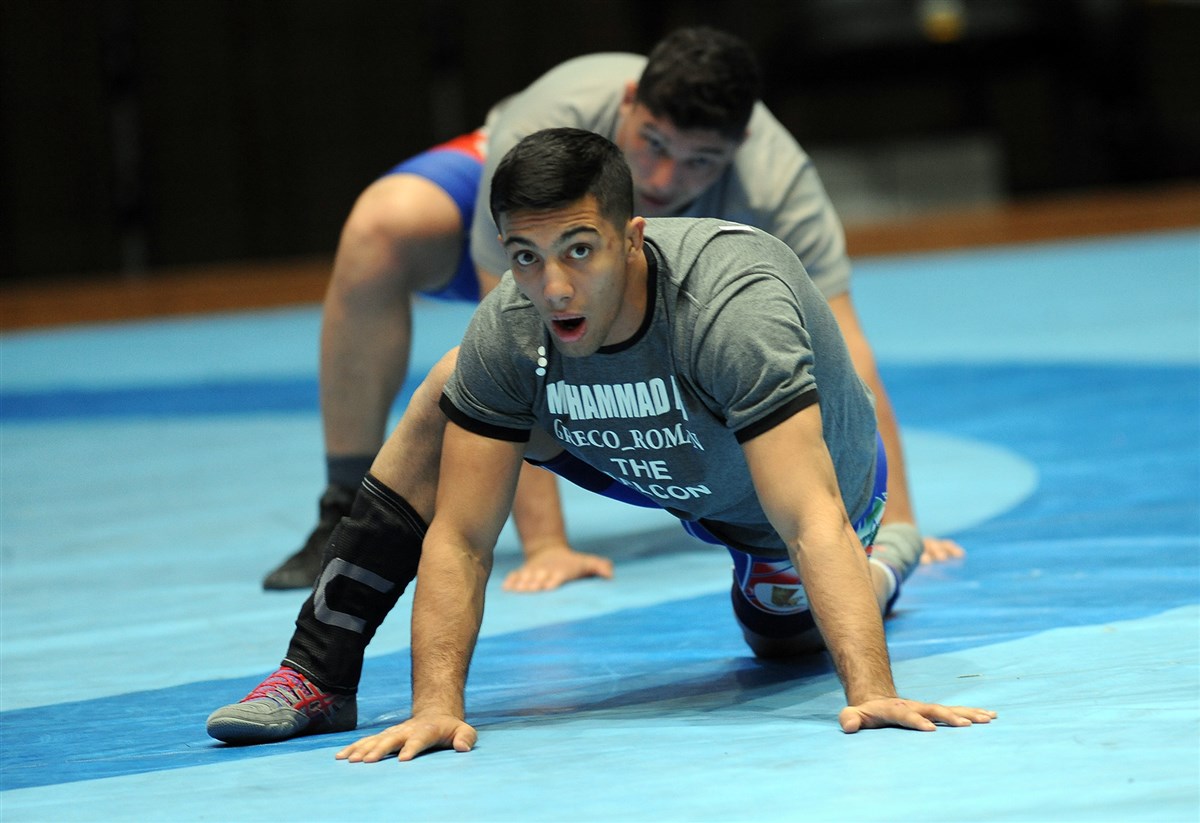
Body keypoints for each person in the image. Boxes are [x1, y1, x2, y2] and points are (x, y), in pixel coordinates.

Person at [207, 129, 995, 758]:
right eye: (526, 257)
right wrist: (436, 707)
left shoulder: (731, 306)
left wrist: (871, 689)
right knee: (449, 390)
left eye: (579, 250)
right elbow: (464, 537)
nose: (553, 287)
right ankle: (316, 672)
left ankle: (887, 556)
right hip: (637, 455)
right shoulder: (512, 325)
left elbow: (810, 517)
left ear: (632, 238)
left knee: (783, 641)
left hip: (783, 494)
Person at [261, 26, 963, 592]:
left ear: (739, 149)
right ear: (629, 102)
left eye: (698, 162)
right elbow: (512, 333)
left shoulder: (777, 184)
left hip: (632, 255)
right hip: (545, 205)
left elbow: (845, 350)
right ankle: (342, 503)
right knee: (380, 229)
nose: (664, 177)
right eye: (652, 143)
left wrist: (890, 521)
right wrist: (546, 543)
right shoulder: (547, 121)